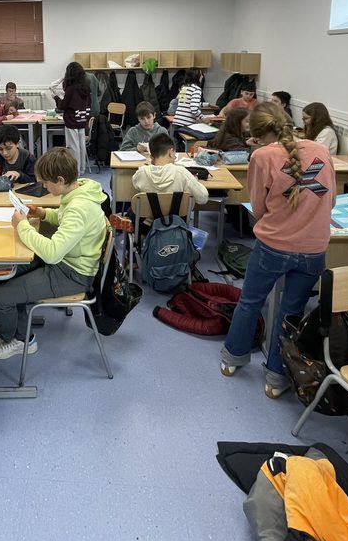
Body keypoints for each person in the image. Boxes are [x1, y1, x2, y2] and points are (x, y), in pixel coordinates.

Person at [220, 105, 336, 398]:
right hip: (314, 249)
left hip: (274, 245)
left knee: (250, 301)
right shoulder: (321, 150)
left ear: (258, 135)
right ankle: (276, 376)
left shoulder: (262, 156)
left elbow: (258, 209)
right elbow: (331, 200)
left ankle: (233, 358)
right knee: (292, 311)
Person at [0, 147, 107, 359]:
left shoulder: (79, 208)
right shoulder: (80, 189)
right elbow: (64, 218)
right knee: (2, 273)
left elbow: (52, 253)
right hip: (68, 261)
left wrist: (22, 226)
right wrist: (43, 213)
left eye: (46, 182)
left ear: (60, 180)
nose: (43, 186)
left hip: (73, 273)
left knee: (0, 297)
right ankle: (11, 330)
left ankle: (20, 340)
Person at [132, 132, 209, 206]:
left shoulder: (141, 173)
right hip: (176, 215)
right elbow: (203, 198)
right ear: (171, 152)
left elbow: (136, 185)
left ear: (151, 156)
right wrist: (194, 181)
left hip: (148, 215)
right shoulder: (181, 173)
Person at [54, 61, 90, 173]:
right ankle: (82, 168)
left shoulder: (71, 89)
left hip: (72, 120)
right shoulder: (86, 88)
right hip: (82, 119)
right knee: (81, 146)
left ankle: (75, 171)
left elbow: (63, 106)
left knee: (73, 147)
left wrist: (56, 98)